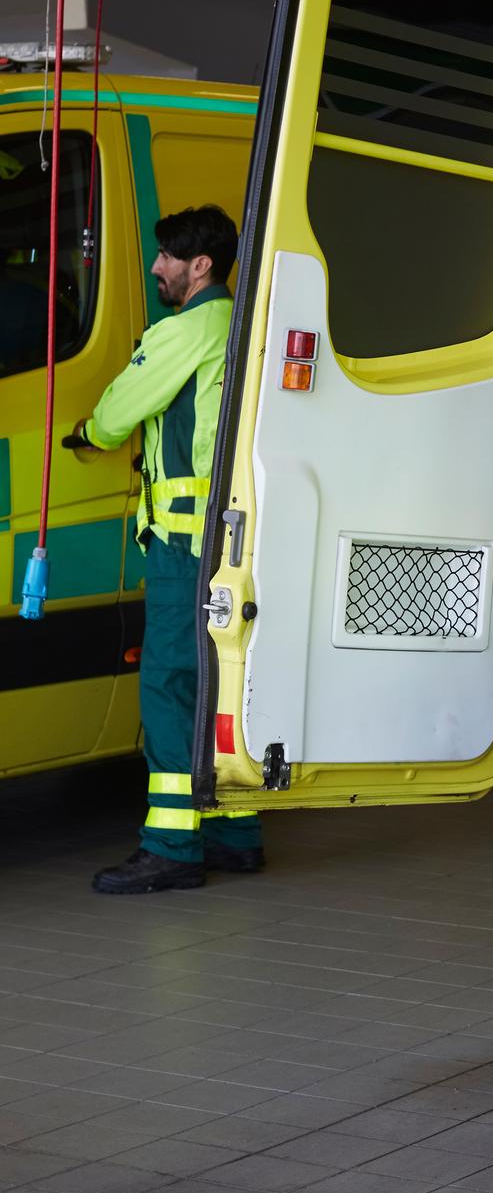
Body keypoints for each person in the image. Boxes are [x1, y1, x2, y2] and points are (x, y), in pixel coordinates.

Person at [75, 206, 265, 894]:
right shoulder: (245, 322)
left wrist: (90, 433)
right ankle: (236, 832)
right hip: (234, 537)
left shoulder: (189, 329)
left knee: (170, 686)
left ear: (200, 266)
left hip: (185, 545)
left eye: (165, 257)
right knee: (224, 684)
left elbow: (121, 409)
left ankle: (173, 845)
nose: (156, 268)